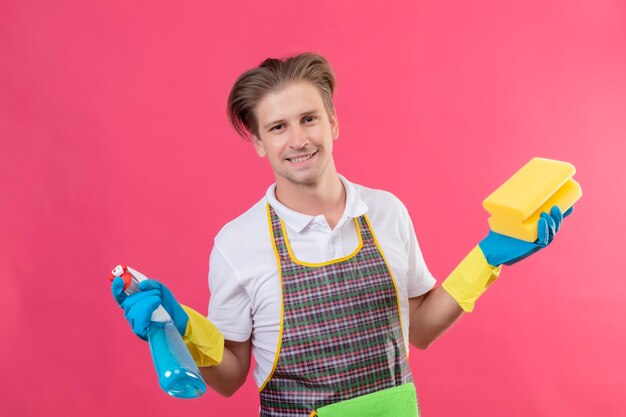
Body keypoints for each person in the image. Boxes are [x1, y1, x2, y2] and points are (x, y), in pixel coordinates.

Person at [111, 53, 573, 416]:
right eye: (278, 127)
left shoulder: (387, 212)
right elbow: (230, 378)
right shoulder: (237, 244)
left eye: (309, 118)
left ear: (333, 121)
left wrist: (486, 257)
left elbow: (423, 330)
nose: (298, 140)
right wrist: (183, 327)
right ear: (258, 142)